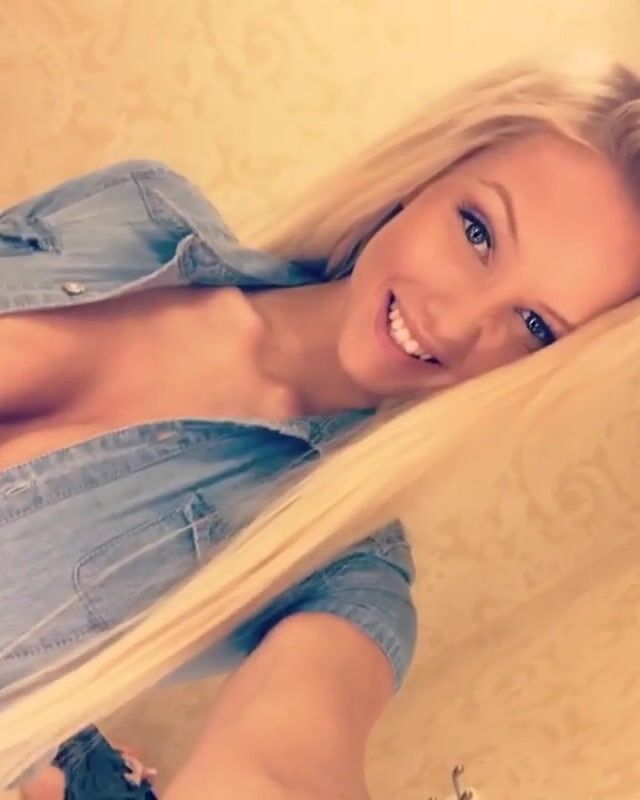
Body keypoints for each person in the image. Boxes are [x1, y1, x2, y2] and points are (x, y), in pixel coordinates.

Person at [2, 51, 640, 798]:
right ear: (426, 179)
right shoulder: (136, 211)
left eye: (533, 325)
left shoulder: (341, 569)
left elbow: (282, 762)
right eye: (478, 233)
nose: (455, 322)